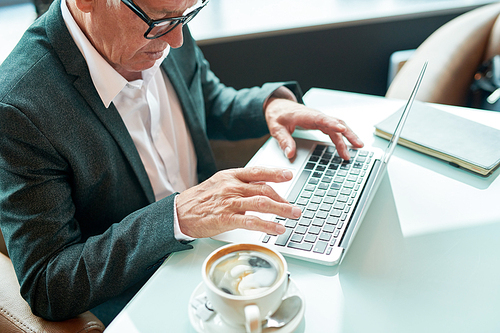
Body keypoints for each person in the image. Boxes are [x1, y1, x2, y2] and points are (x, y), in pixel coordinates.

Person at [0, 0, 363, 325]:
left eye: (188, 13)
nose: (176, 40)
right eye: (160, 21)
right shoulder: (19, 107)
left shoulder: (168, 19)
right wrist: (176, 216)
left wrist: (268, 107)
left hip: (222, 248)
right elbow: (48, 283)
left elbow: (206, 98)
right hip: (145, 294)